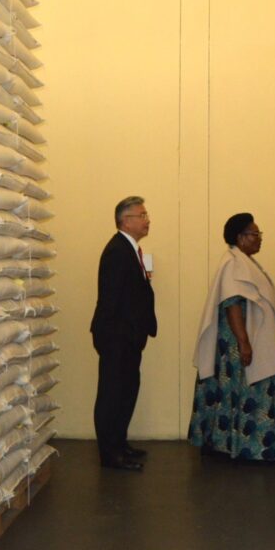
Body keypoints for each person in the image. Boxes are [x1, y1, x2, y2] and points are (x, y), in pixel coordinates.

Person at [188, 213, 275, 461]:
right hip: (238, 342)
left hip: (246, 339)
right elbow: (232, 304)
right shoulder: (234, 263)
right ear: (240, 237)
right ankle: (243, 447)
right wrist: (244, 343)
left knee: (248, 390)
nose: (259, 239)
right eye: (254, 235)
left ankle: (242, 445)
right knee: (243, 389)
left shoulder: (243, 261)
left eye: (259, 234)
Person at [90, 196, 157, 470]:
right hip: (117, 337)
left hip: (127, 337)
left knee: (127, 391)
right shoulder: (118, 251)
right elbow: (112, 300)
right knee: (112, 394)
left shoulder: (130, 250)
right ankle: (110, 454)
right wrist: (117, 336)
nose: (147, 220)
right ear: (126, 220)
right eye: (142, 215)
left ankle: (120, 444)